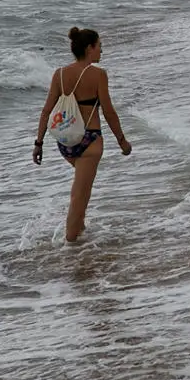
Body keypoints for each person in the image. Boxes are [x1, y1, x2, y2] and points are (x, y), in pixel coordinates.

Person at [33, 26, 131, 242]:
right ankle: (71, 246)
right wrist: (122, 141)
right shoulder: (98, 75)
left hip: (65, 142)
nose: (101, 52)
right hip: (90, 141)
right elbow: (108, 111)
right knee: (80, 196)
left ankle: (80, 231)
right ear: (89, 48)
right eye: (99, 47)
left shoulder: (59, 74)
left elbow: (46, 111)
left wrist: (38, 143)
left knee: (81, 188)